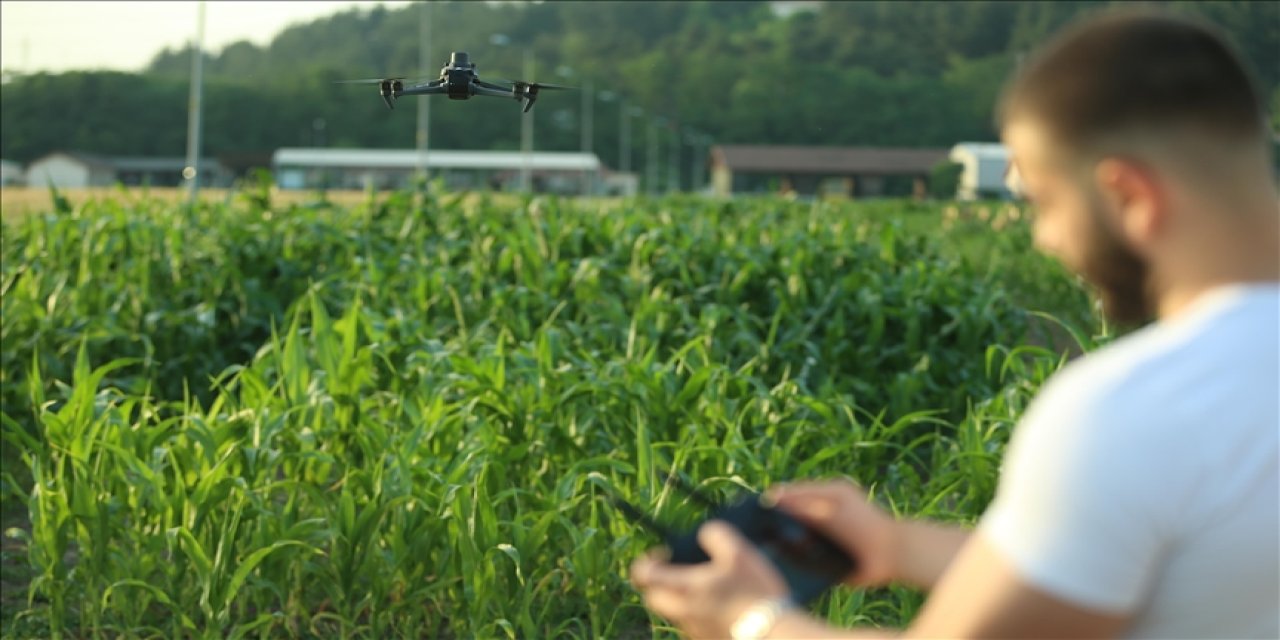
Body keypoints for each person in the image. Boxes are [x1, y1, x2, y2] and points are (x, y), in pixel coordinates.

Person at [630, 9, 1280, 639]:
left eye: (1045, 204)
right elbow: (1131, 568)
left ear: (1129, 195)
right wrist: (898, 545)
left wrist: (750, 621)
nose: (1046, 240)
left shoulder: (1136, 412)